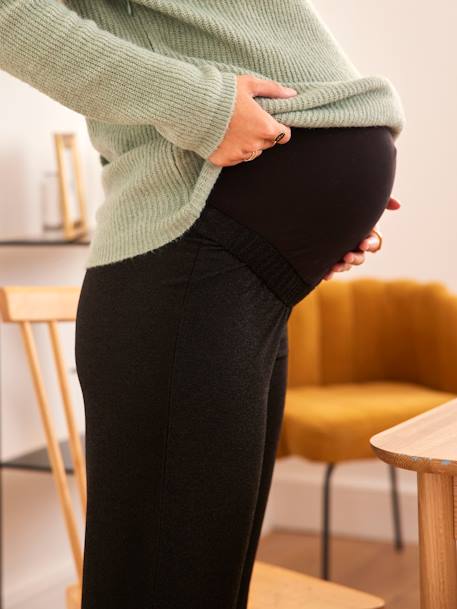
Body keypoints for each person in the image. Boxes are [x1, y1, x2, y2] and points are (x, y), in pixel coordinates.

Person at [0, 1, 404, 607]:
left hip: (231, 252)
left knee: (208, 579)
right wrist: (199, 105)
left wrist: (321, 212)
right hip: (191, 230)